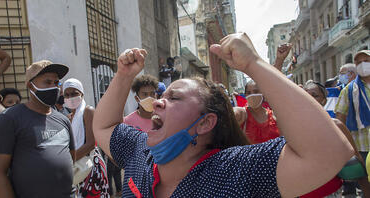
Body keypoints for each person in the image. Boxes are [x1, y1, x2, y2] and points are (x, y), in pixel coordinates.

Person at [93, 33, 353, 197]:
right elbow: (103, 127)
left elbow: (328, 153)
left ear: (205, 122)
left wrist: (254, 64)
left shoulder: (236, 171)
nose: (158, 103)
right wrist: (124, 76)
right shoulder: (140, 152)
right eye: (162, 96)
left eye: (174, 98)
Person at [0, 60, 75, 197]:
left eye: (57, 83)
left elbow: (70, 158)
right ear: (31, 86)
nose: (54, 87)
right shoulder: (10, 119)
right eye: (47, 82)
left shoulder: (63, 120)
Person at [303, 80, 370, 197]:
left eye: (314, 95)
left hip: (330, 191)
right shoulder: (291, 128)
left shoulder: (337, 126)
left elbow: (357, 161)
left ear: (324, 101)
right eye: (304, 95)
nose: (309, 99)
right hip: (302, 190)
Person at [335, 50, 370, 196]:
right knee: (366, 187)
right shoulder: (349, 90)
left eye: (366, 60)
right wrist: (351, 150)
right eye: (358, 62)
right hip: (361, 146)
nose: (363, 65)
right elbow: (339, 120)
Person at [62, 78, 95, 184]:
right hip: (75, 168)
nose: (70, 97)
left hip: (88, 166)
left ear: (82, 94)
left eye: (74, 93)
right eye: (66, 95)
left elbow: (91, 144)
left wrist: (69, 160)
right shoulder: (68, 117)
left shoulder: (88, 111)